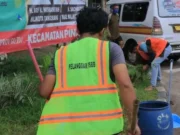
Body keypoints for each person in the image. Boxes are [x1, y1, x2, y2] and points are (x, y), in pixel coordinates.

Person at [37, 7, 140, 135]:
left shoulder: (60, 53)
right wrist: (133, 122)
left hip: (64, 128)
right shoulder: (110, 49)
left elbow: (44, 91)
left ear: (78, 30)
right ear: (103, 30)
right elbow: (125, 85)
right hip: (104, 127)